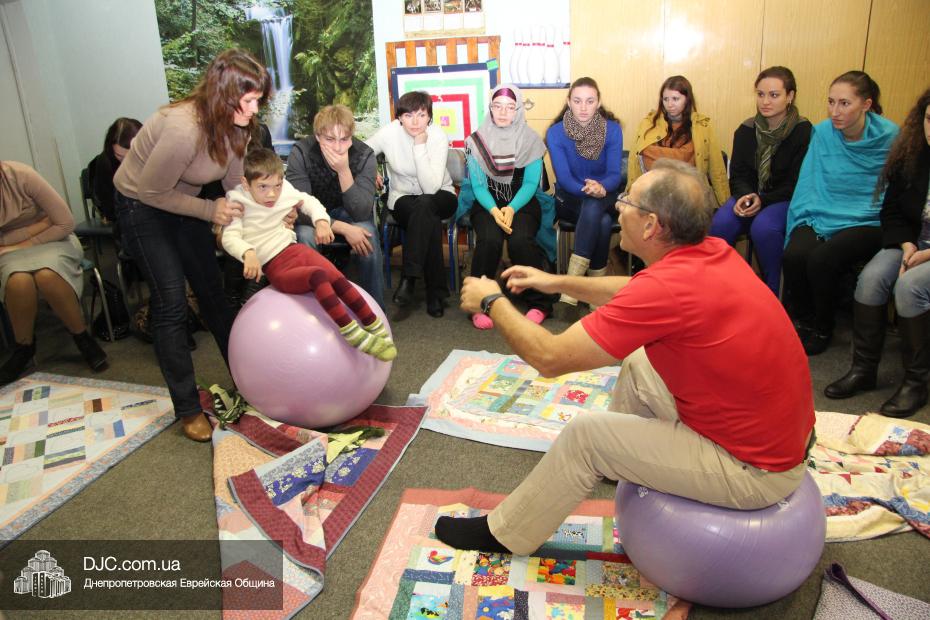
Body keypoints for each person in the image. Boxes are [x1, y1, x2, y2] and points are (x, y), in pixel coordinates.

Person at [434, 159, 814, 556]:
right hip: (774, 437)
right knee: (639, 362)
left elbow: (549, 357)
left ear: (651, 226)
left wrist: (492, 301)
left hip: (754, 469)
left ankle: (505, 534)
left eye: (628, 200)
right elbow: (636, 288)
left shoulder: (668, 287)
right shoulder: (710, 251)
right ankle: (616, 464)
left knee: (586, 437)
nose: (618, 204)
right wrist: (555, 281)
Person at [113, 49, 268, 442]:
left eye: (258, 100)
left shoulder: (239, 125)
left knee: (214, 295)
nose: (255, 109)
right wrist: (210, 210)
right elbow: (151, 192)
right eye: (249, 100)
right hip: (141, 206)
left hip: (184, 202)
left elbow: (235, 185)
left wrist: (267, 213)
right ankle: (186, 408)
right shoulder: (183, 128)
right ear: (224, 95)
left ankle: (251, 383)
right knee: (171, 301)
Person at [222, 149, 396, 360]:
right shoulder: (237, 201)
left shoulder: (285, 190)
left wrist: (321, 221)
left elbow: (309, 201)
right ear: (246, 183)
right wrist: (247, 252)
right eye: (263, 187)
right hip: (275, 265)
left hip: (295, 250)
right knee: (318, 276)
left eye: (277, 186)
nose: (272, 194)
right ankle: (351, 332)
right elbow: (229, 236)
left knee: (336, 276)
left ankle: (374, 325)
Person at [825, 88, 930, 417]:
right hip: (912, 243)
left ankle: (916, 383)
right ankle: (864, 370)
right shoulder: (912, 155)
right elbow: (892, 212)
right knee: (869, 280)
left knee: (909, 286)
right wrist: (907, 244)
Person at [782, 71, 899, 355]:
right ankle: (805, 320)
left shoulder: (890, 136)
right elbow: (810, 180)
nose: (835, 111)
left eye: (844, 103)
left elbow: (898, 187)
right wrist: (804, 216)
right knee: (794, 254)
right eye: (831, 102)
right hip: (823, 210)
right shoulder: (823, 132)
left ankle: (824, 327)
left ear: (866, 104)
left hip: (870, 218)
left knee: (822, 259)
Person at [0, 161, 108, 384]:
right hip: (10, 251)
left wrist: (21, 241)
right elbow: (51, 221)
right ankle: (24, 347)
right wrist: (39, 225)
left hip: (55, 240)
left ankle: (81, 337)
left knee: (47, 276)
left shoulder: (22, 175)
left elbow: (65, 223)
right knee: (18, 281)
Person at [709, 67, 812, 295]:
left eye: (774, 95)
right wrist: (747, 195)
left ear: (790, 96)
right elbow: (738, 175)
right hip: (750, 195)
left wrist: (762, 200)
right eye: (761, 94)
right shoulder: (746, 130)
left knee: (764, 228)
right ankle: (721, 289)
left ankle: (774, 294)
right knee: (720, 224)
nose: (765, 101)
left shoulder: (804, 132)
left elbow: (797, 182)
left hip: (785, 199)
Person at [462, 84, 556, 329]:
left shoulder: (531, 139)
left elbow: (531, 183)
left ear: (518, 110)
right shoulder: (476, 141)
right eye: (498, 106)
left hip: (522, 202)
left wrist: (511, 208)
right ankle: (478, 304)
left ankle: (540, 304)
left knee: (520, 241)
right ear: (490, 108)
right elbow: (479, 186)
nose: (503, 112)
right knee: (489, 240)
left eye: (510, 107)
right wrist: (495, 210)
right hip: (487, 203)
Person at [366, 91, 456, 318]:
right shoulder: (389, 133)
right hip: (403, 197)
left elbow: (431, 188)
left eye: (421, 115)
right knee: (427, 219)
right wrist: (370, 169)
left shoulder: (438, 136)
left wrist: (419, 146)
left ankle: (410, 278)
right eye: (408, 115)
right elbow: (361, 151)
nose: (415, 122)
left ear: (429, 117)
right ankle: (436, 293)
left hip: (441, 194)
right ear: (399, 117)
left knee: (426, 204)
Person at [286, 104, 384, 308]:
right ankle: (314, 309)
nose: (338, 148)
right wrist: (343, 228)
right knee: (304, 235)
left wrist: (343, 171)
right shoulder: (301, 152)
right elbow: (299, 209)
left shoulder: (364, 155)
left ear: (351, 137)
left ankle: (375, 309)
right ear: (317, 136)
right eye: (330, 139)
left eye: (344, 139)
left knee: (367, 234)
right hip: (312, 217)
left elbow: (361, 211)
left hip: (348, 211)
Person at [546, 77, 623, 305]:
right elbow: (565, 179)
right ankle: (596, 293)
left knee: (595, 206)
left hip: (605, 194)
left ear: (598, 103)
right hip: (569, 198)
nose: (583, 107)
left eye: (590, 101)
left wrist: (601, 187)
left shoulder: (612, 130)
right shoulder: (556, 133)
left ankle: (573, 284)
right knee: (602, 221)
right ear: (568, 102)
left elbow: (614, 175)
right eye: (577, 101)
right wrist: (590, 189)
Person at [627, 75, 729, 206]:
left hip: (690, 195)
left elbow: (716, 168)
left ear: (687, 99)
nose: (669, 104)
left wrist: (726, 204)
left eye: (675, 99)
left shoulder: (701, 127)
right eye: (665, 99)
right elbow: (640, 157)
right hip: (652, 193)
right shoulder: (649, 124)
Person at [92, 117, 143, 223]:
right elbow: (109, 207)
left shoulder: (154, 157)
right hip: (123, 218)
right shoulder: (105, 163)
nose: (125, 162)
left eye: (131, 155)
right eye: (120, 156)